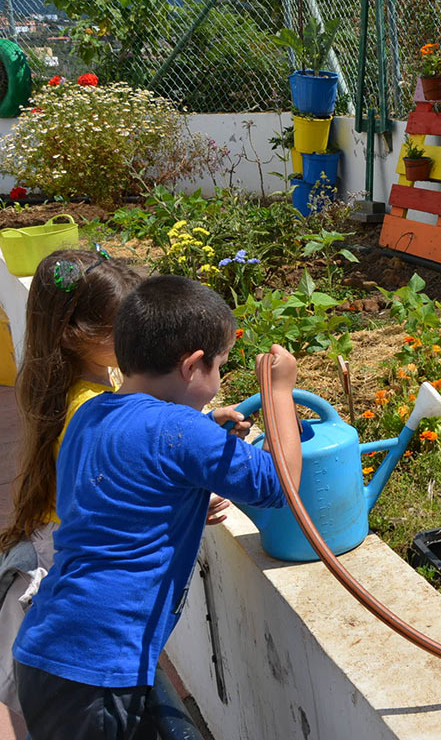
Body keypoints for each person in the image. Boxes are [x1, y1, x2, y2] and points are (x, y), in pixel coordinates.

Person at [10, 275, 302, 740]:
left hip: (52, 649)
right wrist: (280, 392)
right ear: (192, 366)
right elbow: (277, 484)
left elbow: (126, 484)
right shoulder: (180, 431)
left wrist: (203, 439)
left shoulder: (91, 413)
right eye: (221, 366)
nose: (222, 378)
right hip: (98, 673)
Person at [0, 248, 143, 721]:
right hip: (69, 559)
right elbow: (112, 498)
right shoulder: (91, 409)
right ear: (75, 334)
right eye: (121, 327)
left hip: (48, 535)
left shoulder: (71, 381)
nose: (136, 336)